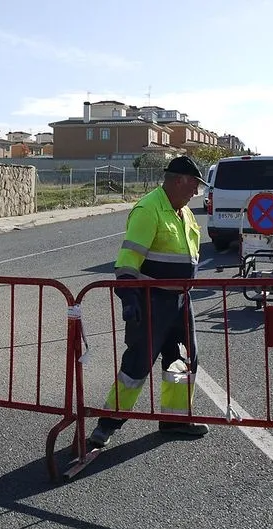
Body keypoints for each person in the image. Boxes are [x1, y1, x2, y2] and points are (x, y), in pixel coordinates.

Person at [88, 156, 210, 448]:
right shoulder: (148, 209)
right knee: (137, 365)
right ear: (178, 180)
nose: (196, 191)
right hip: (152, 302)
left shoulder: (184, 213)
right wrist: (130, 299)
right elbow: (127, 263)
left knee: (182, 360)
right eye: (194, 184)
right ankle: (106, 425)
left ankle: (175, 419)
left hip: (180, 301)